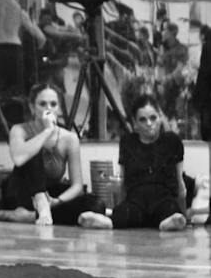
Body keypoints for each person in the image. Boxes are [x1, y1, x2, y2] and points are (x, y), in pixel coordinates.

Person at [0, 82, 102, 227]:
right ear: (32, 107)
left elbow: (77, 185)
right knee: (33, 151)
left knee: (97, 205)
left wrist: (57, 201)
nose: (48, 109)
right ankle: (39, 207)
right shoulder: (19, 130)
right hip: (21, 192)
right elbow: (18, 159)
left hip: (50, 193)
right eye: (42, 104)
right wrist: (47, 131)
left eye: (53, 104)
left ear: (59, 108)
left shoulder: (69, 138)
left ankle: (31, 216)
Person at [80, 96, 189, 231]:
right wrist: (118, 208)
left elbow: (180, 183)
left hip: (164, 198)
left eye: (153, 118)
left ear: (160, 117)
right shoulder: (128, 142)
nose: (149, 123)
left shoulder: (172, 141)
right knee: (126, 212)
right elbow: (123, 181)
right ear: (135, 123)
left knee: (170, 210)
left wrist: (184, 213)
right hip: (136, 199)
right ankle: (109, 222)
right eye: (143, 120)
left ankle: (168, 223)